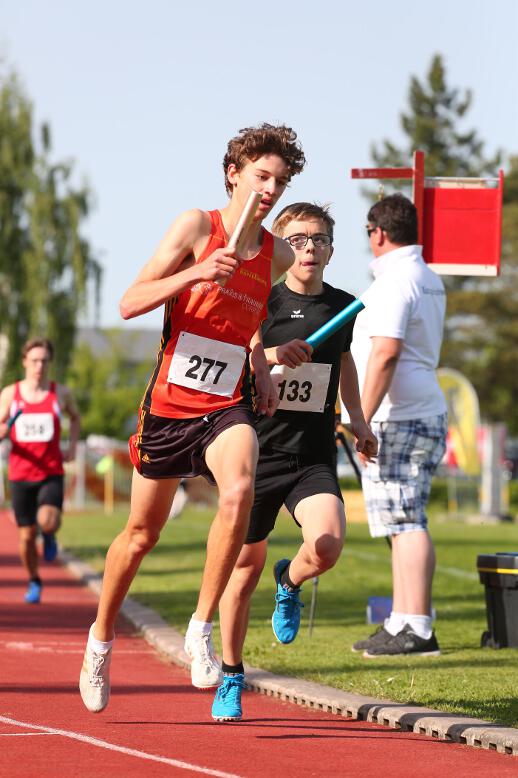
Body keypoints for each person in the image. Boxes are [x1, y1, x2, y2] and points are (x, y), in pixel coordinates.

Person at [79, 123, 306, 713]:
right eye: (261, 177)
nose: (270, 190)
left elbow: (246, 320)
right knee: (141, 535)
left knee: (240, 488)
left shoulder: (277, 255)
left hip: (226, 404)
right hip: (169, 407)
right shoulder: (196, 227)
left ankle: (200, 629)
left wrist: (260, 365)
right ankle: (100, 639)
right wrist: (196, 272)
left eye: (280, 182)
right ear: (234, 173)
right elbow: (130, 301)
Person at [211, 202, 378, 722]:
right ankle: (232, 675)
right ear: (283, 247)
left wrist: (359, 421)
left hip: (311, 453)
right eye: (299, 239)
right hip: (256, 452)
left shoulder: (343, 306)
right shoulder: (260, 300)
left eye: (319, 239)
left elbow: (344, 363)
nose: (309, 248)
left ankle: (290, 582)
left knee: (327, 544)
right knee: (243, 570)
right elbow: (233, 357)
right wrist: (273, 357)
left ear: (331, 249)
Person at [349, 193, 447, 658]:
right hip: (419, 407)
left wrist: (361, 419)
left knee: (406, 522)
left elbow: (385, 353)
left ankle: (418, 627)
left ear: (379, 233)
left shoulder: (395, 280)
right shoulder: (426, 276)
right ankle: (401, 620)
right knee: (399, 520)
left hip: (400, 414)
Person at [0, 338, 80, 604]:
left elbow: (75, 417)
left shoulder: (60, 393)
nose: (39, 366)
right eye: (34, 360)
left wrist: (72, 446)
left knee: (48, 520)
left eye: (44, 361)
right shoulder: (10, 394)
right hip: (20, 475)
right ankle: (34, 579)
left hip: (50, 471)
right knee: (25, 537)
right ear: (25, 362)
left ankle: (48, 533)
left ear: (50, 363)